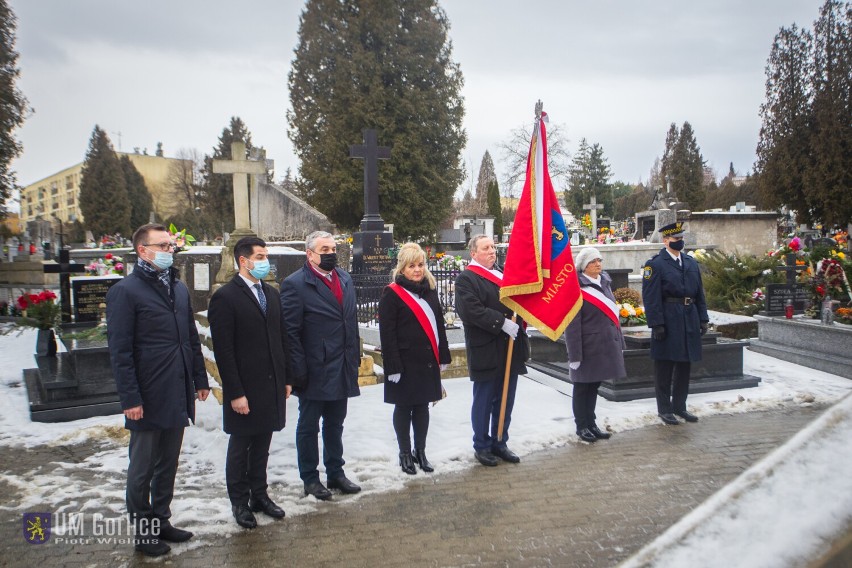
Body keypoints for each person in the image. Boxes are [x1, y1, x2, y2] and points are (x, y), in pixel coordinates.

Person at [106, 223, 210, 557]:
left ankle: (162, 519)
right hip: (147, 395)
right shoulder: (126, 292)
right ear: (142, 251)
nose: (169, 251)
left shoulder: (178, 288)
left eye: (170, 246)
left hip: (176, 390)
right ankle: (144, 532)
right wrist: (130, 398)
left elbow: (190, 338)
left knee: (168, 463)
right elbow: (120, 352)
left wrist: (200, 378)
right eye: (162, 246)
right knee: (142, 468)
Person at [208, 236, 292, 529]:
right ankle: (240, 502)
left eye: (265, 256)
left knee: (263, 444)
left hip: (271, 384)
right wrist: (235, 392)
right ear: (243, 261)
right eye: (259, 257)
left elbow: (281, 337)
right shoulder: (225, 297)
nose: (264, 261)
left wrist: (286, 379)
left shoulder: (271, 293)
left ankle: (260, 495)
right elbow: (224, 350)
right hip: (245, 387)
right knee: (241, 446)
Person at [280, 231, 362, 500]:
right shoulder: (295, 284)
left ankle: (336, 473)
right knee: (308, 425)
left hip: (342, 364)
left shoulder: (345, 278)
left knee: (335, 423)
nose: (330, 253)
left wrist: (355, 355)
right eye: (324, 249)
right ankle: (310, 478)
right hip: (315, 367)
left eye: (333, 248)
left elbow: (349, 321)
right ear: (310, 254)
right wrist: (297, 370)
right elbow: (290, 332)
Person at [455, 235, 529, 467]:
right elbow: (471, 311)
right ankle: (482, 445)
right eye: (486, 248)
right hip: (486, 348)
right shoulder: (466, 279)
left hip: (510, 347)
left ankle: (500, 441)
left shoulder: (504, 275)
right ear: (473, 253)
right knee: (484, 400)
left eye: (493, 247)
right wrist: (501, 322)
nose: (492, 251)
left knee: (505, 399)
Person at [378, 243, 451, 475]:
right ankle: (405, 453)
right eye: (412, 266)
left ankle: (421, 451)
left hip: (426, 361)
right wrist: (393, 366)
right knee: (404, 408)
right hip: (404, 362)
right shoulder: (392, 293)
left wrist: (444, 355)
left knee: (422, 407)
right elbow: (386, 333)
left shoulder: (429, 290)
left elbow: (439, 325)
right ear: (402, 268)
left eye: (420, 265)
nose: (417, 270)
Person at [641, 221, 709, 426]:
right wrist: (656, 324)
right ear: (665, 241)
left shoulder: (690, 262)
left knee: (684, 365)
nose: (680, 241)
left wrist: (703, 318)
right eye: (676, 239)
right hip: (669, 318)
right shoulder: (655, 264)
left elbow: (700, 293)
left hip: (689, 316)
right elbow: (650, 297)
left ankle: (680, 406)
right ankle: (664, 409)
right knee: (665, 366)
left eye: (681, 238)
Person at [563, 247, 626, 443]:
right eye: (592, 262)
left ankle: (592, 423)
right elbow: (571, 325)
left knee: (594, 386)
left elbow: (613, 315)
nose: (597, 264)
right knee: (582, 387)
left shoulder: (605, 282)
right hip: (587, 346)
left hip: (605, 345)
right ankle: (581, 426)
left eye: (599, 260)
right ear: (583, 266)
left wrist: (620, 341)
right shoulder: (575, 287)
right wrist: (574, 355)